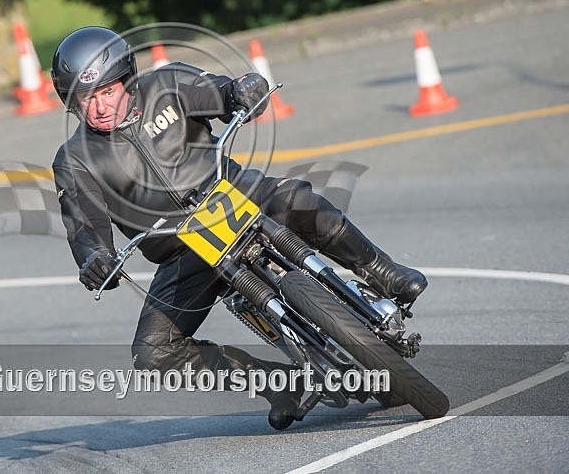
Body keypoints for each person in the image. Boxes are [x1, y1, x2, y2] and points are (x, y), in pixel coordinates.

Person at [50, 26, 427, 430]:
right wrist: (95, 260)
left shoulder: (168, 83)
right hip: (181, 249)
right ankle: (279, 384)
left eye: (107, 91)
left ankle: (383, 273)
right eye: (86, 99)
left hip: (232, 194)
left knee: (296, 197)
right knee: (152, 353)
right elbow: (85, 226)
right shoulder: (75, 160)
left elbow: (221, 93)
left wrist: (242, 91)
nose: (100, 106)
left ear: (127, 79)